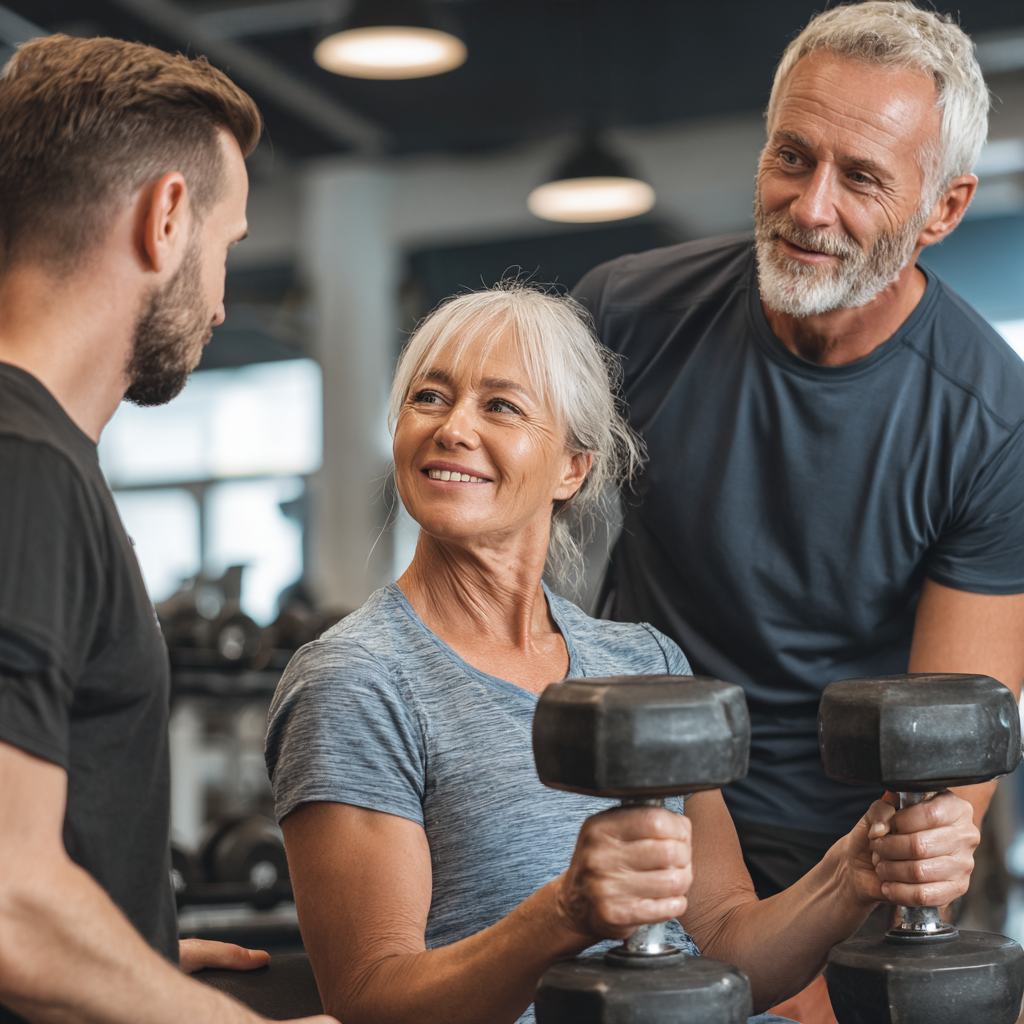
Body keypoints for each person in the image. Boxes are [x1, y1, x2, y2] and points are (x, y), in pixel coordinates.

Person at [264, 284, 980, 1024]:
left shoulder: (646, 666)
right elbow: (371, 1002)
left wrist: (853, 871)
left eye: (501, 406)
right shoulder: (355, 679)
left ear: (573, 468)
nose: (452, 428)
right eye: (429, 398)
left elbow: (724, 950)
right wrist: (562, 916)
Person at [574, 0, 1024, 903]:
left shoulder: (992, 418)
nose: (809, 207)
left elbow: (951, 735)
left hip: (856, 831)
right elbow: (508, 567)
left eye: (862, 178)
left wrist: (834, 920)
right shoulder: (625, 317)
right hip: (650, 801)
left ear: (943, 208)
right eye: (793, 156)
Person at [0, 35, 334, 1024]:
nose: (225, 303)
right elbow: (9, 906)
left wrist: (132, 948)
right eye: (227, 244)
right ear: (167, 216)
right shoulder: (27, 469)